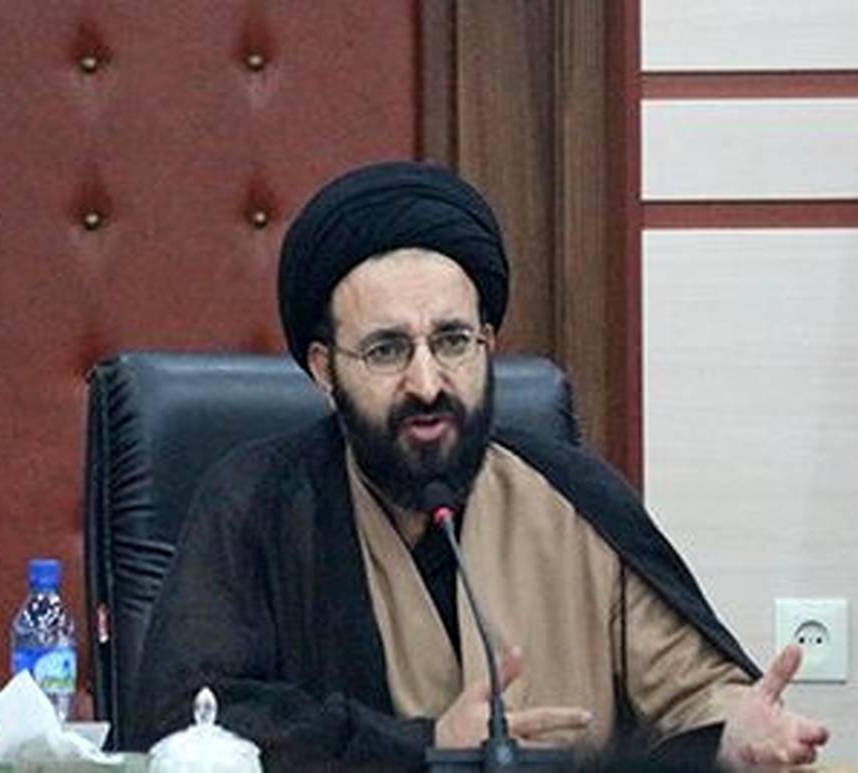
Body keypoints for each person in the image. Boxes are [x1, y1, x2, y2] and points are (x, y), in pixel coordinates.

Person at [128, 161, 828, 771]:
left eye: (453, 341)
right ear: (324, 368)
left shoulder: (574, 500)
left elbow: (691, 690)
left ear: (488, 343)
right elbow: (183, 721)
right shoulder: (259, 504)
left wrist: (732, 733)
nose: (427, 382)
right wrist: (424, 748)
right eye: (386, 350)